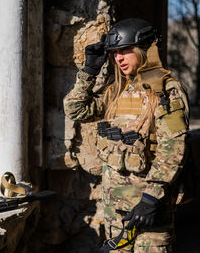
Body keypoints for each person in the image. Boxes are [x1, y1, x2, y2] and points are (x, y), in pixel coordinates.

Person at [63, 18, 189, 252]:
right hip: (115, 210)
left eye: (125, 50)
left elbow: (173, 150)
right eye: (114, 52)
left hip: (147, 210)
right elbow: (75, 109)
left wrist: (151, 199)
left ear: (144, 50)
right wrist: (89, 71)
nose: (118, 58)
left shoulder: (165, 91)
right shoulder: (116, 90)